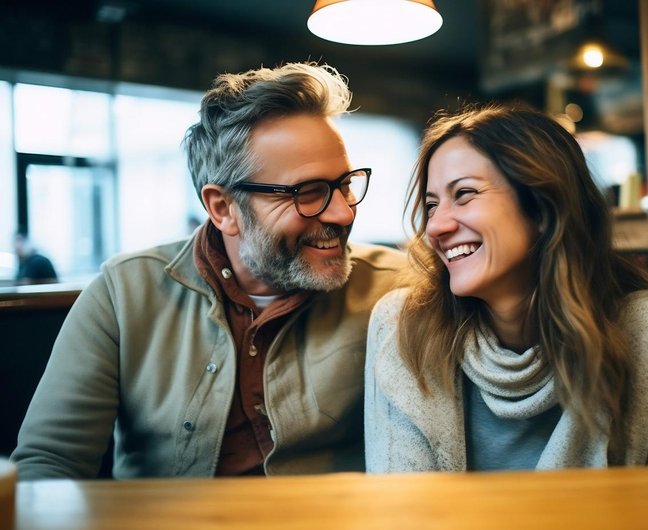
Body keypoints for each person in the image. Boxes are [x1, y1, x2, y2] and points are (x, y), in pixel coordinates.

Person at [12, 62, 407, 479]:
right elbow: (49, 464)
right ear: (223, 208)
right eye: (308, 193)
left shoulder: (396, 288)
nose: (344, 212)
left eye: (345, 183)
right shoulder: (122, 294)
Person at [365, 102, 648, 472]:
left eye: (465, 194)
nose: (436, 227)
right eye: (431, 204)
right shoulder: (405, 326)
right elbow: (403, 510)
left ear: (542, 206)